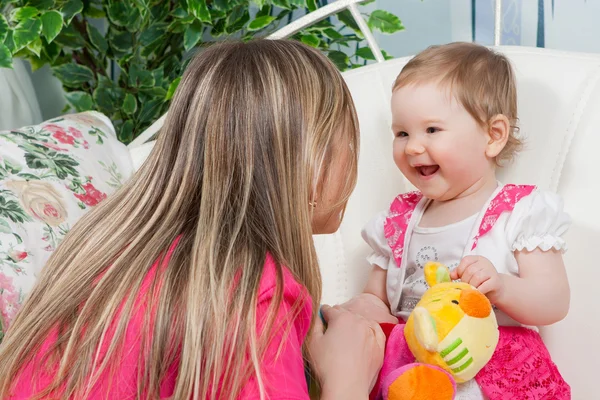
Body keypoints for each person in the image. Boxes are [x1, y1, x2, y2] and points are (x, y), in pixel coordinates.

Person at [0, 39, 384, 400]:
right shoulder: (254, 292)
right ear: (312, 161)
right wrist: (346, 377)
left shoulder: (104, 245)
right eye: (348, 141)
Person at [347, 42, 571, 399]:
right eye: (402, 133)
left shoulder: (519, 211)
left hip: (491, 368)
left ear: (493, 135)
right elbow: (378, 299)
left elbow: (554, 302)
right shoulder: (399, 219)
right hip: (412, 369)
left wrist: (501, 286)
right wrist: (357, 311)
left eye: (431, 130)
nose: (412, 147)